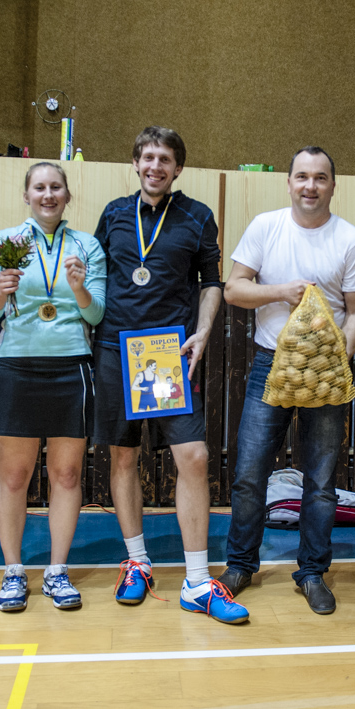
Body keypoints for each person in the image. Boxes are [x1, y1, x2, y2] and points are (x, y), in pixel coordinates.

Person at [92, 125, 247, 624]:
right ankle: (137, 562)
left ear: (178, 168)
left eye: (165, 159)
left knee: (194, 457)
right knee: (123, 456)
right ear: (135, 163)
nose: (155, 166)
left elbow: (211, 283)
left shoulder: (197, 216)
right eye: (148, 157)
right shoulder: (113, 214)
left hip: (168, 354)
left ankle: (197, 582)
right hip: (116, 349)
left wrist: (203, 331)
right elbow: (96, 280)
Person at [219, 146, 355, 615]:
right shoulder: (266, 227)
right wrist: (280, 291)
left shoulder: (350, 239)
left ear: (333, 185)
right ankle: (240, 564)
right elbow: (233, 289)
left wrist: (336, 360)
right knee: (249, 474)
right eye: (302, 176)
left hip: (324, 374)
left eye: (320, 177)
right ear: (288, 183)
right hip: (270, 365)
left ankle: (311, 572)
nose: (310, 186)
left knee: (320, 482)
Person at [0, 162, 106, 612]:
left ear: (67, 195)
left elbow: (95, 314)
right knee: (14, 476)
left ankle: (57, 570)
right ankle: (13, 571)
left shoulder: (87, 246)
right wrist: (1, 290)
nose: (48, 195)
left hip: (71, 367)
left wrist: (79, 288)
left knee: (66, 475)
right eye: (39, 187)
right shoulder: (5, 243)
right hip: (15, 366)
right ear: (26, 195)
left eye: (55, 187)